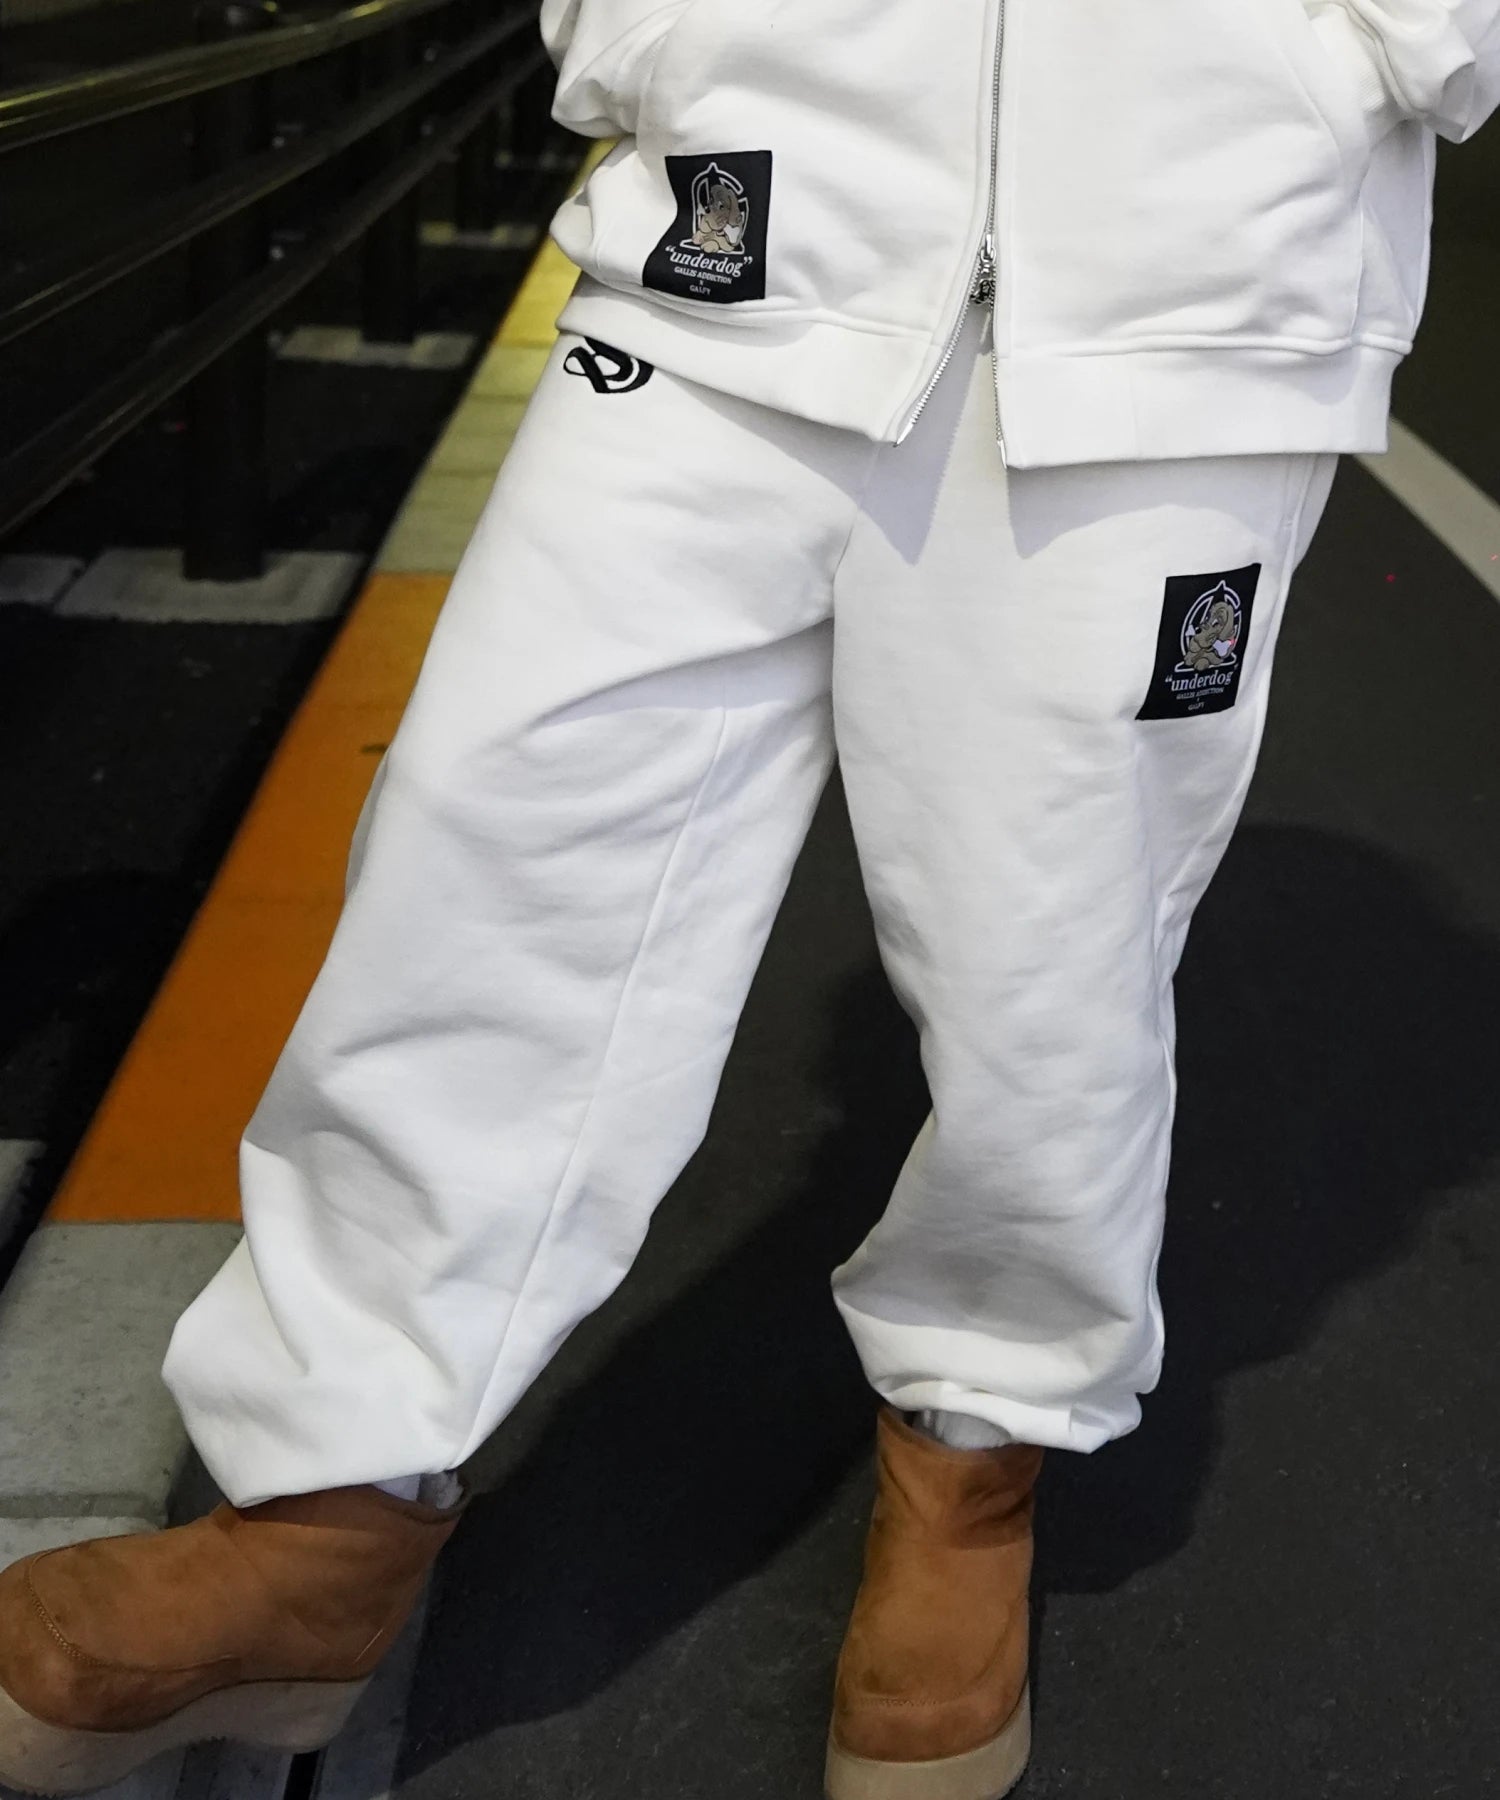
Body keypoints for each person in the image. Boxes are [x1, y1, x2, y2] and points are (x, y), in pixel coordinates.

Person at [2, 3, 1497, 1796]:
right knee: (492, 841)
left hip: (1175, 315)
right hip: (728, 234)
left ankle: (974, 1456)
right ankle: (325, 1503)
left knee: (1050, 964)